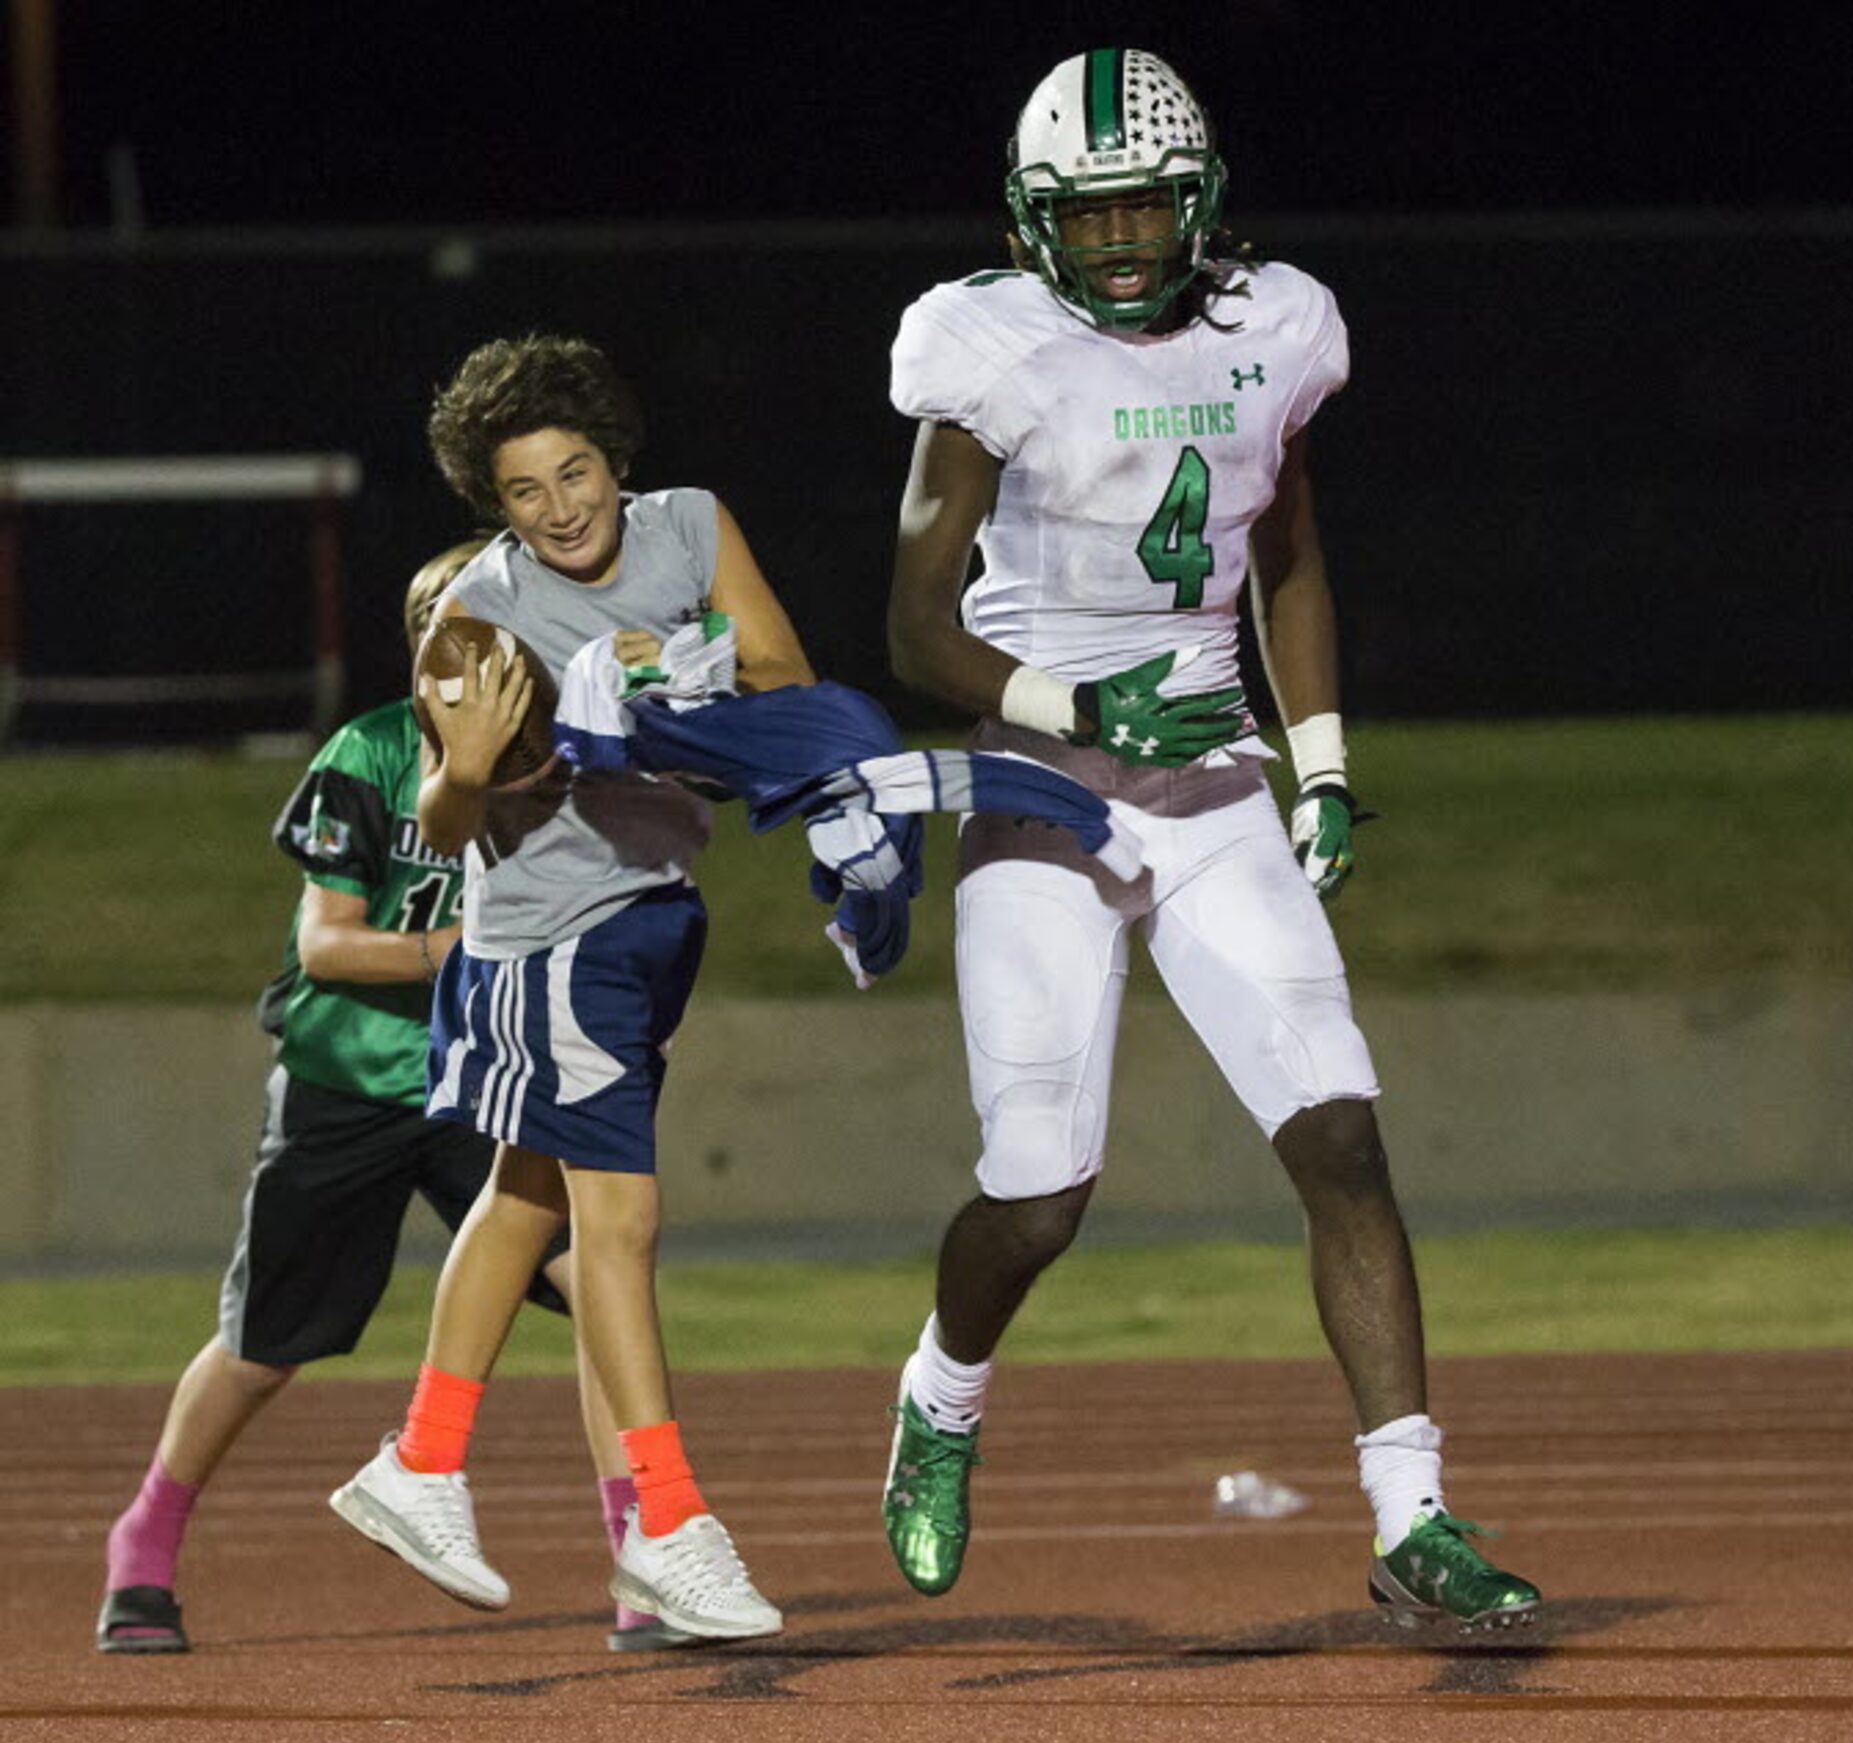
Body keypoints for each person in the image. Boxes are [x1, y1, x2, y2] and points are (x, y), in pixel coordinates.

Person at [875, 47, 1538, 1629]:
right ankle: (941, 1393)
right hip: (1044, 774)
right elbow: (912, 624)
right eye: (1090, 213)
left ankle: (1412, 1516)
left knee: (1340, 1128)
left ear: (1203, 205)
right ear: (1040, 220)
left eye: (1146, 209)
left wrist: (1317, 762)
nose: (1119, 240)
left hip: (1215, 780)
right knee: (1041, 1192)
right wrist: (1088, 710)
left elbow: (1290, 553)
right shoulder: (988, 346)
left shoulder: (1277, 323)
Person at [97, 541, 692, 1655]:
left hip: (494, 1079)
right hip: (352, 1079)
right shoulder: (368, 752)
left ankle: (649, 1556)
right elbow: (325, 948)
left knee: (601, 1290)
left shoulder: (571, 746)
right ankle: (143, 1544)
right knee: (266, 1342)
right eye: (442, 611)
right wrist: (462, 949)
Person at [327, 334, 820, 1642]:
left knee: (523, 1195)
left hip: (652, 910)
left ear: (616, 454)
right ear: (493, 503)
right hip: (555, 936)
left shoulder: (692, 529)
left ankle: (421, 1462)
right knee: (619, 1221)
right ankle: (666, 1517)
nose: (563, 506)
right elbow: (436, 823)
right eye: (527, 490)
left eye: (577, 469)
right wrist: (474, 758)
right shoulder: (472, 614)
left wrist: (678, 681)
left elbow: (789, 687)